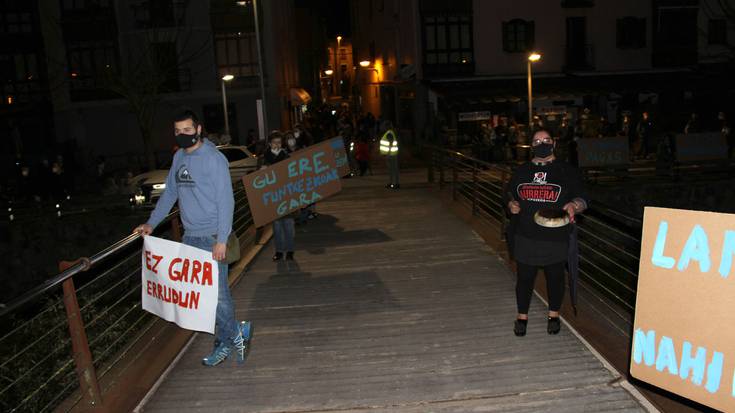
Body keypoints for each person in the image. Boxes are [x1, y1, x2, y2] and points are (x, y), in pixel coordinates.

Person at [134, 109, 252, 366]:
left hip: (211, 237)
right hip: (190, 238)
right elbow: (169, 194)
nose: (183, 134)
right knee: (205, 297)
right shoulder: (178, 158)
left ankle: (228, 339)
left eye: (187, 130)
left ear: (198, 130)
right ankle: (237, 332)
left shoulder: (213, 158)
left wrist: (221, 239)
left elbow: (226, 201)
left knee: (218, 295)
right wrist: (151, 223)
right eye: (178, 131)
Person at [505, 129, 588, 336]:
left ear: (554, 142)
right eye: (536, 141)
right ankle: (521, 317)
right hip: (525, 235)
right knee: (524, 278)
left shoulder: (567, 171)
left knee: (555, 277)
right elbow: (508, 193)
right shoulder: (521, 171)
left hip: (555, 235)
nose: (541, 143)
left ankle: (554, 315)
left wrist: (574, 205)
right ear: (531, 145)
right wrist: (510, 204)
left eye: (546, 140)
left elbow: (583, 198)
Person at [263, 131, 296, 260]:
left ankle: (290, 250)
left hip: (285, 194)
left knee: (288, 225)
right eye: (274, 142)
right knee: (277, 227)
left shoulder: (286, 156)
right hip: (272, 196)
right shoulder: (264, 157)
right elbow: (256, 178)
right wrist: (261, 171)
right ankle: (279, 251)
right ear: (270, 144)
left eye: (279, 142)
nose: (277, 145)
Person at [379, 120, 400, 189]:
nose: (382, 127)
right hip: (392, 154)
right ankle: (392, 183)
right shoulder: (390, 133)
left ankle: (395, 183)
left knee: (393, 169)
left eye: (384, 126)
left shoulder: (389, 133)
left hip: (391, 155)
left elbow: (390, 143)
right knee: (392, 169)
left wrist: (388, 153)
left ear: (387, 126)